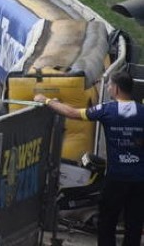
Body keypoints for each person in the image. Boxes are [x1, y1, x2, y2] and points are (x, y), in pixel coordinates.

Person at [34, 70, 144, 246]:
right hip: (139, 180)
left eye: (108, 85)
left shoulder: (107, 110)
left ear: (115, 89)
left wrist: (47, 101)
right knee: (134, 225)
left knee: (107, 222)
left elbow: (72, 113)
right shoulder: (142, 111)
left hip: (116, 178)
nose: (107, 88)